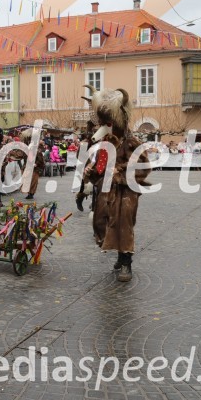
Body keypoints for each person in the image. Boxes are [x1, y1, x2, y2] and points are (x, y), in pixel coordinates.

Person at [82, 87, 150, 282]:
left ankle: (126, 262)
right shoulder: (106, 144)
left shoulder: (131, 142)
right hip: (106, 192)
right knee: (101, 222)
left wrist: (119, 171)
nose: (104, 127)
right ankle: (119, 255)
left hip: (126, 192)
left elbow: (143, 167)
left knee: (123, 225)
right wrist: (91, 172)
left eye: (108, 123)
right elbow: (100, 168)